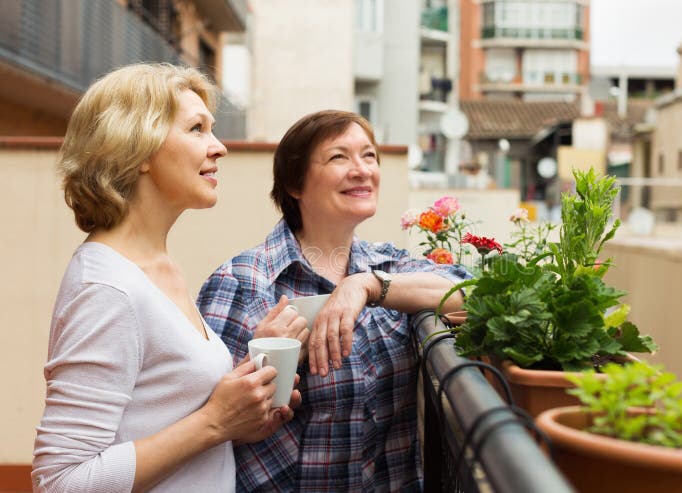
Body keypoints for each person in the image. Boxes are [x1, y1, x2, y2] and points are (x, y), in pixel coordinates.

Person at [32, 63, 302, 493]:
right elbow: (62, 481)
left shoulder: (157, 267)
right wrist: (214, 422)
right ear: (136, 149)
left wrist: (242, 410)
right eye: (196, 129)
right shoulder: (107, 288)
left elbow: (162, 415)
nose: (219, 148)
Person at [197, 110, 470, 492]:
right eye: (339, 157)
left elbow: (471, 295)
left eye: (369, 155)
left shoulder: (388, 266)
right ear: (295, 184)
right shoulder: (242, 281)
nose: (361, 170)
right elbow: (202, 428)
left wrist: (365, 286)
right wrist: (267, 365)